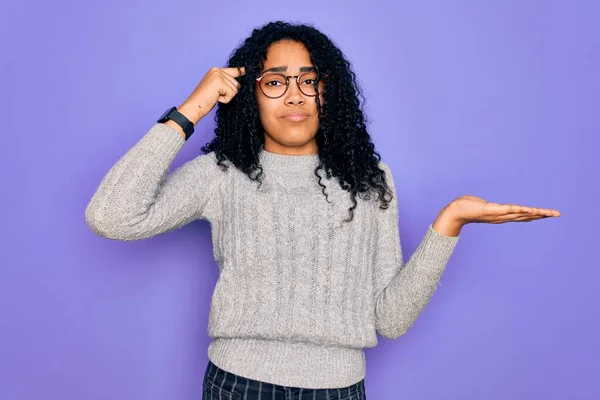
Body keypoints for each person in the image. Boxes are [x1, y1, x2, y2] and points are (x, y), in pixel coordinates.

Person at [85, 21, 560, 400]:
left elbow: (390, 319)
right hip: (238, 386)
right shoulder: (223, 173)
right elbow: (112, 216)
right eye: (274, 81)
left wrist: (449, 222)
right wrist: (191, 109)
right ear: (249, 94)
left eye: (308, 80)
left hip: (339, 391)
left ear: (327, 92)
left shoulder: (372, 180)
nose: (294, 95)